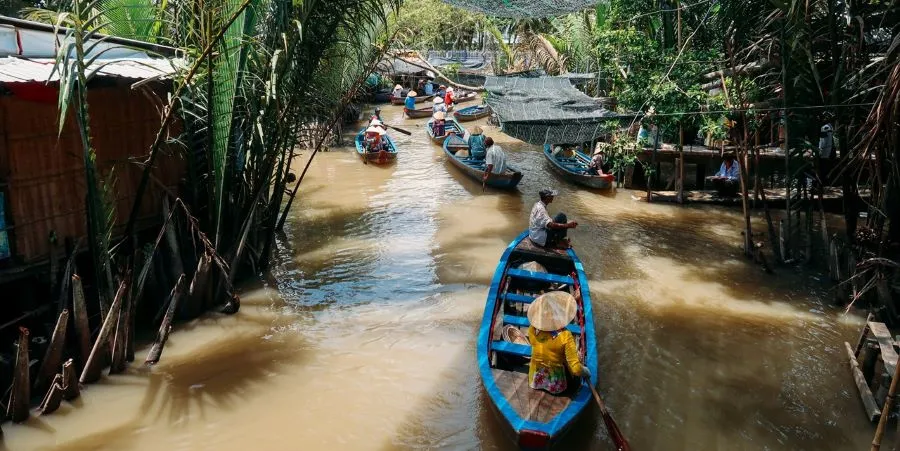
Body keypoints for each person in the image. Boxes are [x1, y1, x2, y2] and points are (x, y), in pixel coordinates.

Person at [526, 291, 591, 395]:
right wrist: (586, 371)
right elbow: (576, 369)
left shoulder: (532, 330)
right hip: (555, 386)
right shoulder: (566, 335)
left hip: (535, 381)